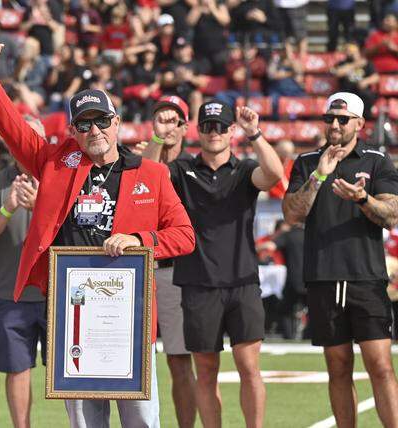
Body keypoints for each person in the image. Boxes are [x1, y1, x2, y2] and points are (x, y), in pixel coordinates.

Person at [0, 21, 196, 428]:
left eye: (101, 121)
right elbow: (12, 127)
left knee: (141, 418)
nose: (95, 131)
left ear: (117, 121)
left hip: (128, 312)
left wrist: (138, 240)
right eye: (84, 124)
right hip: (71, 310)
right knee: (85, 421)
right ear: (72, 131)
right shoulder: (56, 163)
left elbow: (184, 236)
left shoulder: (152, 173)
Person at [143, 99, 284, 428]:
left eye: (221, 126)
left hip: (243, 281)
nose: (214, 132)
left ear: (231, 131)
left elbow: (275, 174)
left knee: (249, 367)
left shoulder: (245, 169)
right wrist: (159, 138)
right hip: (197, 283)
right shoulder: (181, 169)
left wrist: (256, 134)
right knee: (205, 371)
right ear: (198, 131)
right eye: (207, 126)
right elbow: (147, 181)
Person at [283, 92, 398, 427]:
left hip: (366, 276)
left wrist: (363, 198)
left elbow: (391, 215)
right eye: (329, 118)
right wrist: (319, 176)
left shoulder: (377, 161)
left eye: (342, 119)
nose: (334, 124)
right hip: (323, 277)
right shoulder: (306, 162)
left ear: (359, 124)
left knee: (380, 365)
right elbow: (291, 214)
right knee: (338, 366)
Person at [0, 116, 46, 428]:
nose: (28, 143)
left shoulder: (63, 177)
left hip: (59, 294)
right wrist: (9, 207)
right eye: (22, 136)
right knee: (17, 370)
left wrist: (39, 205)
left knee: (70, 371)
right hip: (11, 294)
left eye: (35, 138)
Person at [140, 95, 198, 428]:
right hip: (141, 269)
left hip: (175, 271)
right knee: (138, 358)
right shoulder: (139, 160)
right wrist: (156, 142)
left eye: (174, 119)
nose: (168, 124)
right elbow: (145, 174)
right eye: (161, 118)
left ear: (184, 127)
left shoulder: (192, 164)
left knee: (179, 360)